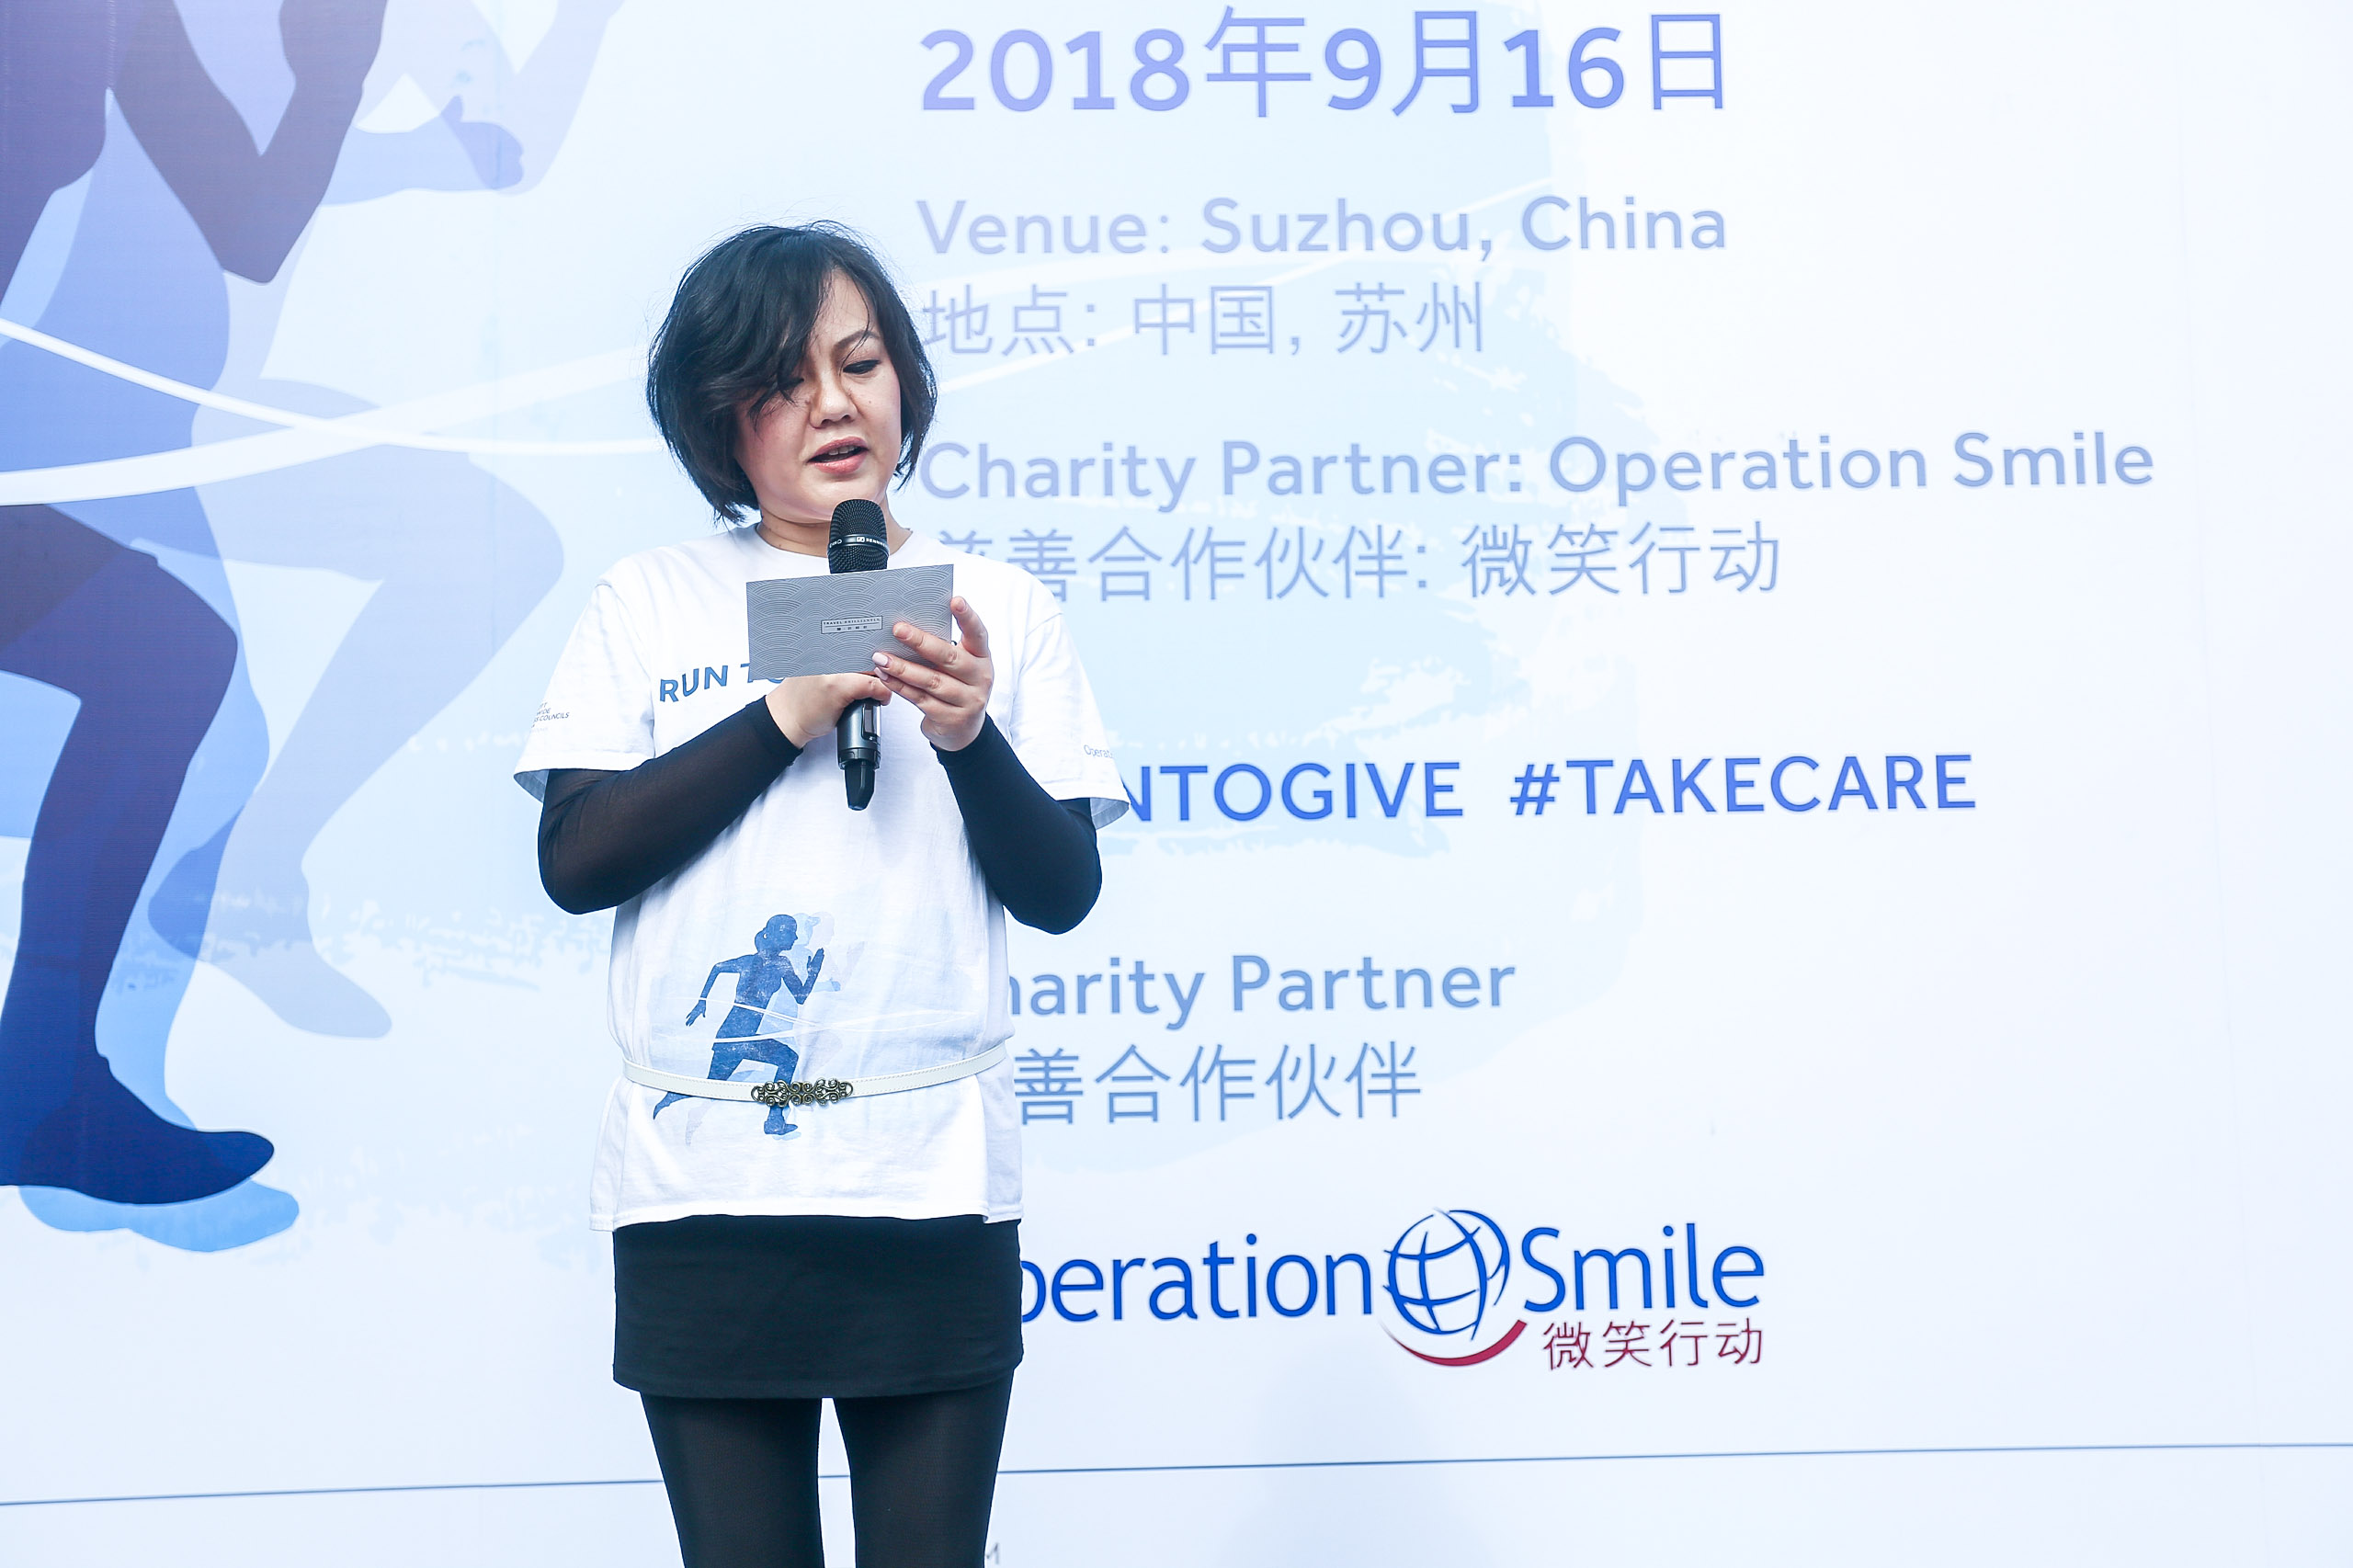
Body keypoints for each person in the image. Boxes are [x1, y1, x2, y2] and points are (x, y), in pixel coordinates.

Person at [516, 223, 1122, 1568]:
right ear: (716, 420)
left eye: (860, 363)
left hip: (928, 1176)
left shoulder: (997, 607)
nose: (835, 405)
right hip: (707, 1181)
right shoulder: (652, 599)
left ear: (906, 379)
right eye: (783, 384)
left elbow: (1063, 890)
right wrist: (783, 714)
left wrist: (967, 737)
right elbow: (576, 861)